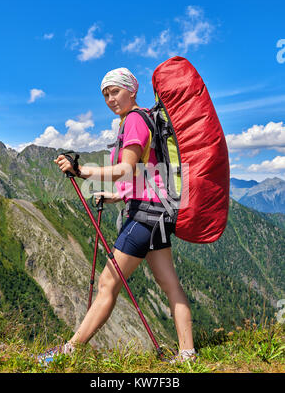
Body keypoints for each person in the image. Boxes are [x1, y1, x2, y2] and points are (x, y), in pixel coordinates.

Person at [38, 68, 196, 364]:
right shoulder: (141, 120)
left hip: (145, 216)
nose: (110, 99)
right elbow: (147, 175)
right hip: (159, 212)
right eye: (105, 94)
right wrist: (115, 196)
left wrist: (83, 171)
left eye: (115, 91)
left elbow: (126, 169)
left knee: (108, 283)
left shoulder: (134, 121)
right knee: (170, 284)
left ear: (132, 90)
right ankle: (188, 354)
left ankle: (68, 352)